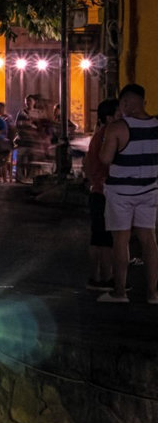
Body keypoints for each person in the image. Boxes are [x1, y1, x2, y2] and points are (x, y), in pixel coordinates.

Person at [96, 83, 158, 303]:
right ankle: (153, 293)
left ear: (124, 103)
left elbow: (105, 158)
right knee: (149, 239)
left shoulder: (118, 128)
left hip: (120, 192)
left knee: (120, 241)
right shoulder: (156, 125)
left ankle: (120, 292)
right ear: (144, 102)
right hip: (149, 189)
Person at [83, 98, 121, 291]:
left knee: (98, 236)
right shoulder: (108, 135)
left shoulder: (98, 135)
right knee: (106, 238)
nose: (122, 117)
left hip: (97, 190)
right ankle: (106, 278)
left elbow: (88, 165)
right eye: (118, 114)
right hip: (104, 191)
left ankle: (96, 277)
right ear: (109, 117)